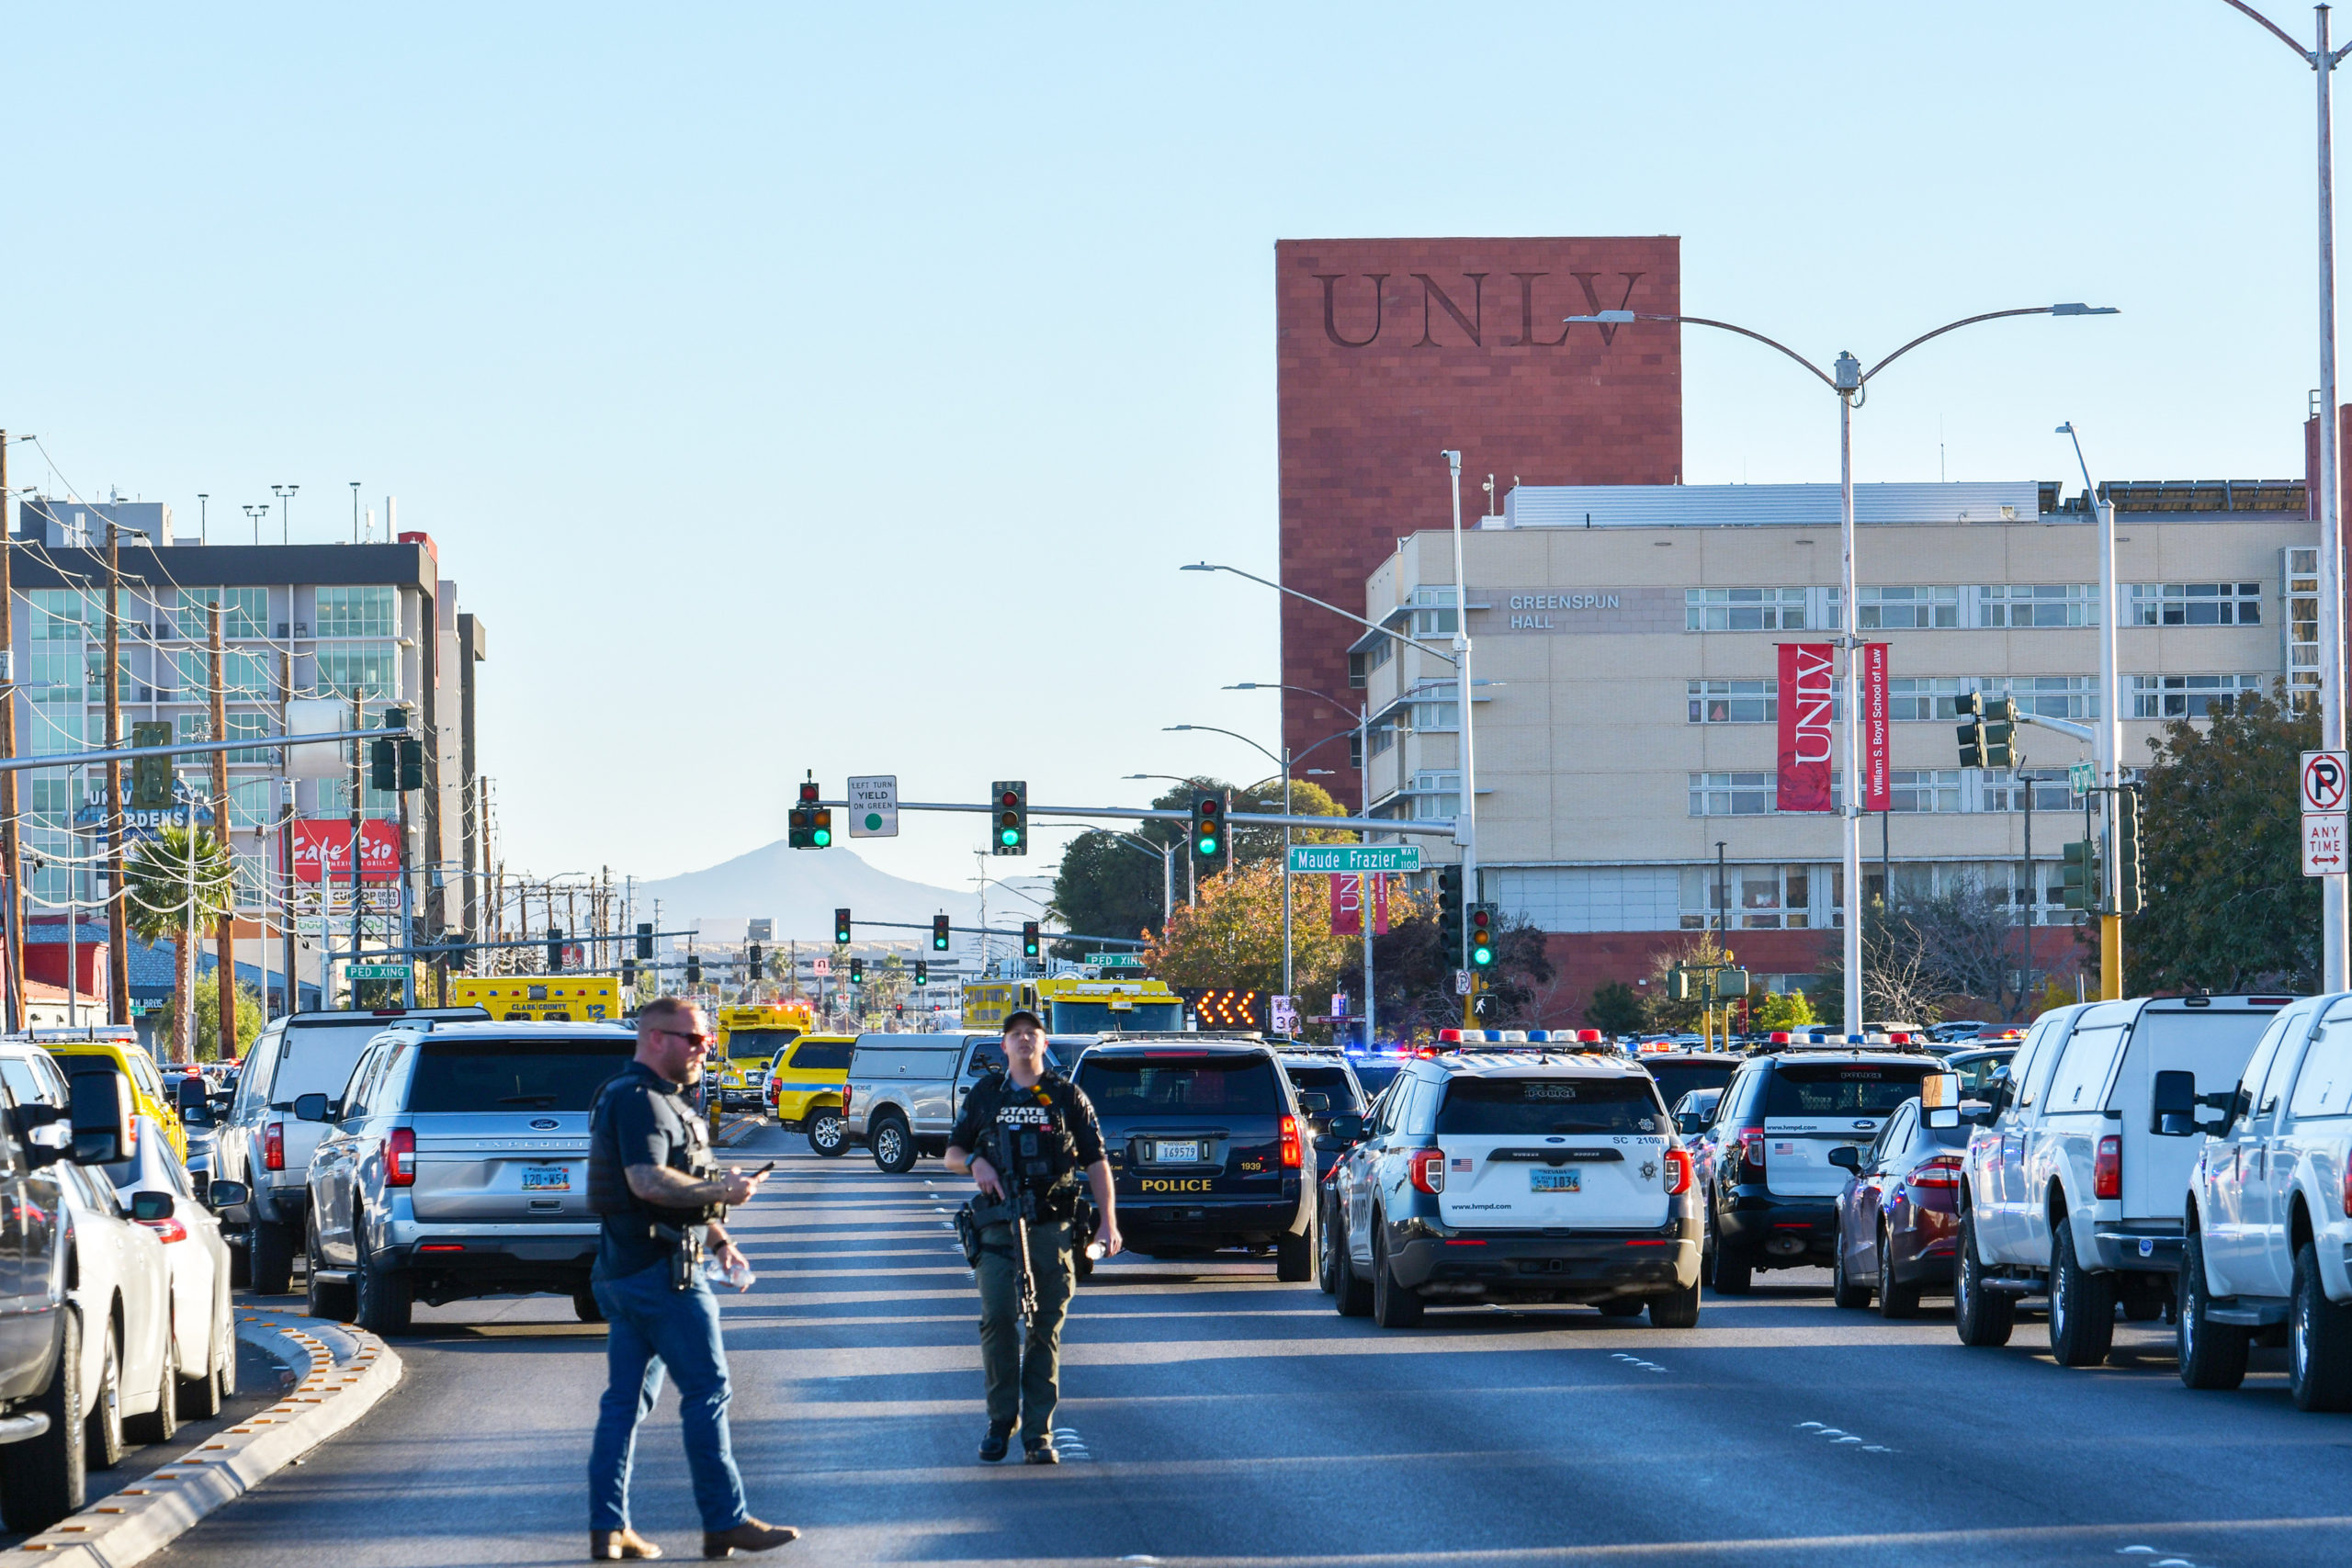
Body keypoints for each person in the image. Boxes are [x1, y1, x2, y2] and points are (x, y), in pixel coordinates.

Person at [586, 995, 797, 1562]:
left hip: (627, 1269)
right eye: (694, 1038)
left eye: (705, 1038)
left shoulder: (655, 1100)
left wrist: (723, 1241)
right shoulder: (642, 1102)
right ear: (657, 1038)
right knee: (708, 1392)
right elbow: (648, 1184)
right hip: (662, 1275)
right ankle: (725, 1521)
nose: (705, 1047)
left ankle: (609, 1528)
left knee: (624, 1404)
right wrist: (724, 1192)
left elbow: (678, 1190)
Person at [944, 1009, 1122, 1464]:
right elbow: (952, 1153)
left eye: (1032, 1034)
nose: (1024, 1040)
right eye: (1016, 1035)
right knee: (999, 1319)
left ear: (1045, 1044)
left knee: (1044, 1328)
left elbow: (1096, 1160)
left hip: (1053, 1227)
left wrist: (1109, 1222)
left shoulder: (1067, 1097)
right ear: (1004, 1046)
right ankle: (1001, 1420)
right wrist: (974, 1164)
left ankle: (1038, 1435)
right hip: (998, 1230)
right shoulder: (987, 1094)